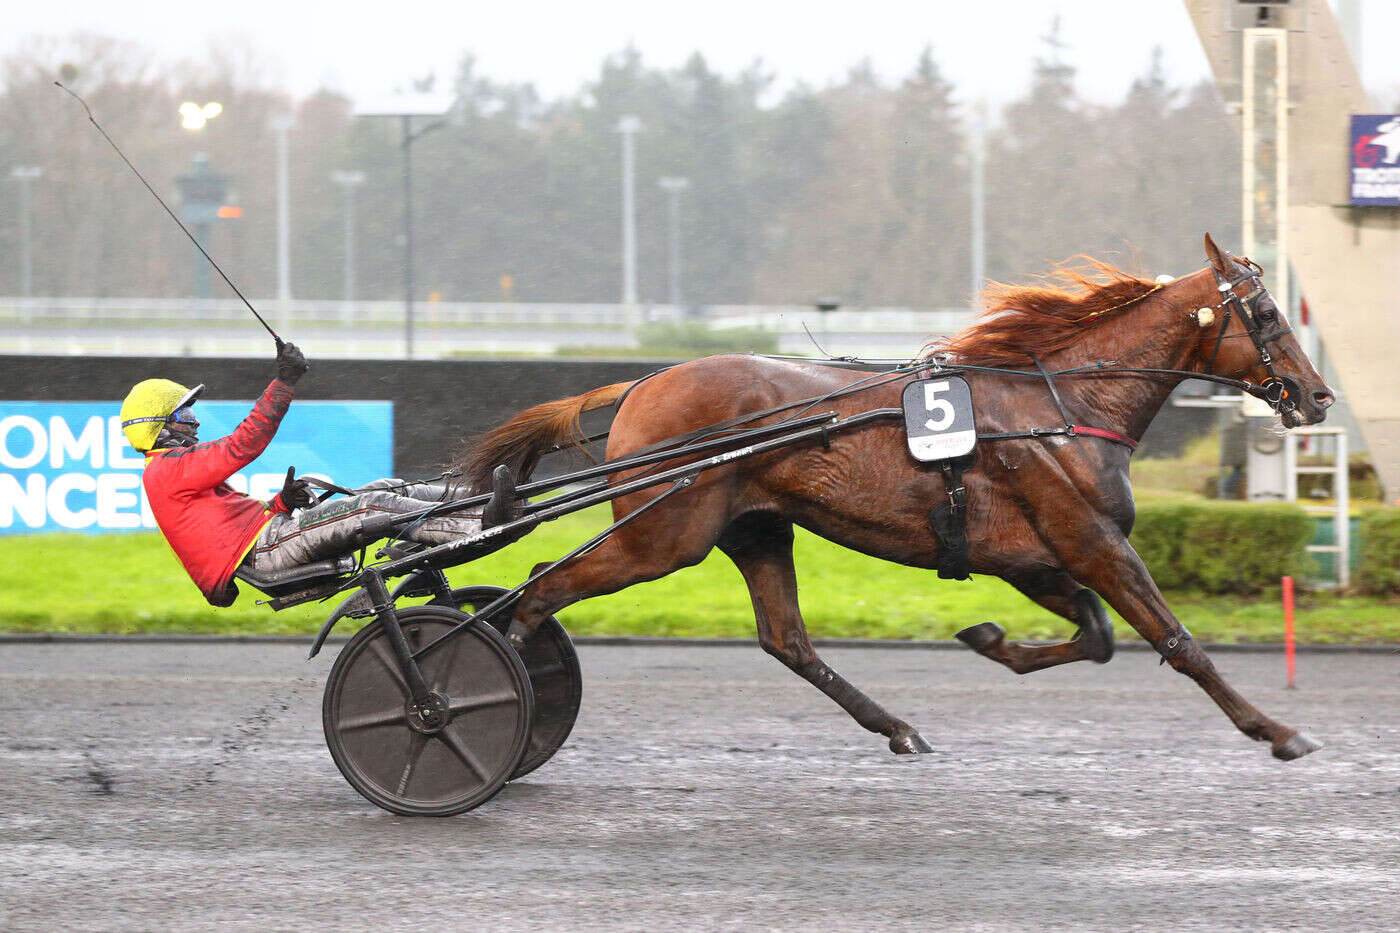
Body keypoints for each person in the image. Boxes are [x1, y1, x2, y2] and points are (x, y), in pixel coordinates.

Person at [120, 342, 515, 607]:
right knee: (371, 507)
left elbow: (225, 525)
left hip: (269, 541)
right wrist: (284, 383)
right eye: (186, 416)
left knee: (386, 487)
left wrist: (280, 503)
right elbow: (243, 445)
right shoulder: (166, 470)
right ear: (162, 427)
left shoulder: (172, 472)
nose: (195, 425)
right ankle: (478, 524)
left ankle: (478, 498)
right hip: (269, 551)